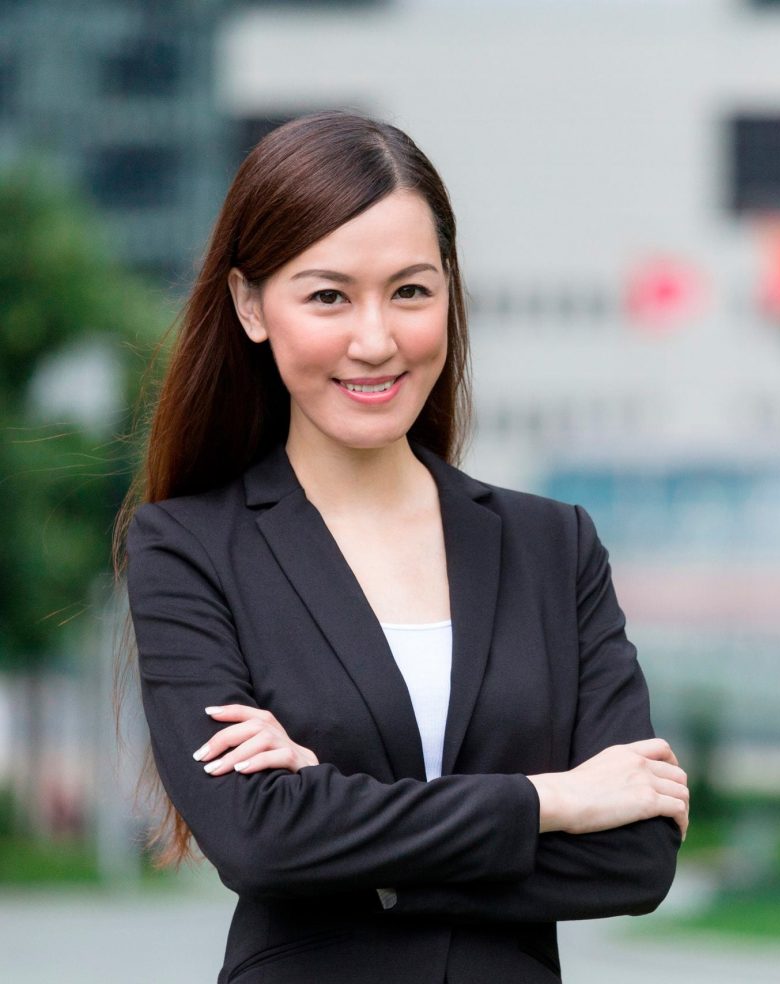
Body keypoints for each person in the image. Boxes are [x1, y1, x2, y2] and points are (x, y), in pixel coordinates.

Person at [115, 110, 688, 984]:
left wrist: (348, 843)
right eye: (327, 295)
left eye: (411, 291)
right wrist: (553, 800)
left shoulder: (552, 547)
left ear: (450, 295)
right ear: (249, 305)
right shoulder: (190, 548)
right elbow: (256, 839)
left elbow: (636, 858)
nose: (376, 340)